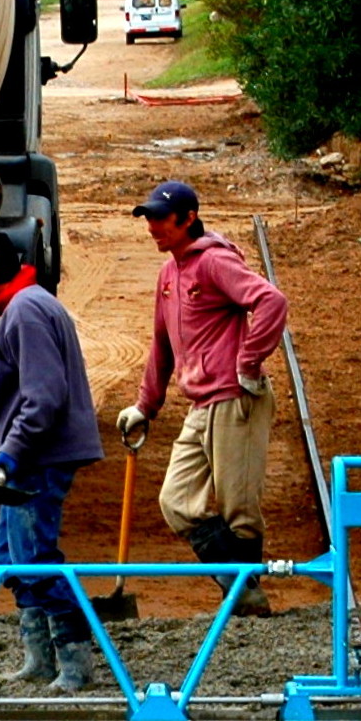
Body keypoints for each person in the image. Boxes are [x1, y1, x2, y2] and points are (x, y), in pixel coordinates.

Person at [117, 180, 289, 615]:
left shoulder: (214, 262)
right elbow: (161, 345)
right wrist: (144, 406)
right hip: (200, 403)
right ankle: (242, 589)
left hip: (236, 398)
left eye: (161, 218)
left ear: (189, 218)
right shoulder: (168, 274)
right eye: (149, 219)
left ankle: (247, 604)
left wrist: (248, 362)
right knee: (175, 501)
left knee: (238, 509)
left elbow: (271, 301)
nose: (152, 227)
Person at [0, 230, 106, 691]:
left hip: (39, 458)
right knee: (12, 558)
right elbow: (34, 393)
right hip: (34, 452)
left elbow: (43, 398)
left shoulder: (25, 311)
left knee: (36, 560)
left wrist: (11, 452)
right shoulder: (33, 303)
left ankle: (76, 667)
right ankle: (40, 661)